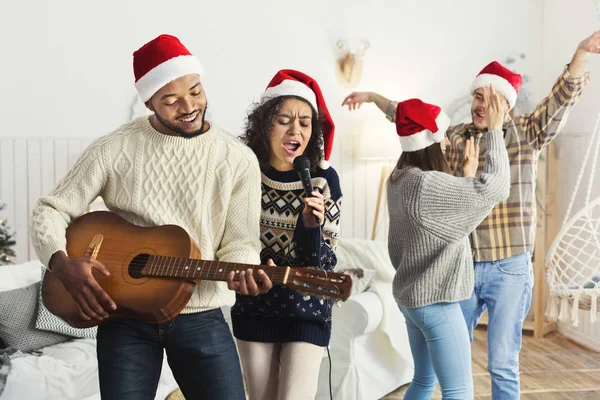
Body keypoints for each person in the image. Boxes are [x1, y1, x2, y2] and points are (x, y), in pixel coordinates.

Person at [342, 30, 599, 399]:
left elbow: (563, 96)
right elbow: (410, 117)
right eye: (479, 95)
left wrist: (581, 53)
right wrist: (371, 98)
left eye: (492, 98)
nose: (483, 103)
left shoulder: (528, 132)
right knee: (449, 365)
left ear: (507, 105)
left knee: (502, 365)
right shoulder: (454, 138)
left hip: (510, 267)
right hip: (461, 270)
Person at [29, 34, 272, 400]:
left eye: (195, 91)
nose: (189, 106)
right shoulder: (113, 148)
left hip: (201, 315)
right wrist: (61, 264)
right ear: (149, 102)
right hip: (124, 315)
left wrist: (243, 269)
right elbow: (50, 208)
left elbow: (240, 239)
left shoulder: (238, 159)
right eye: (171, 100)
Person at [385, 93, 510, 399]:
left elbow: (442, 222)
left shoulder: (400, 179)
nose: (444, 146)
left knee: (424, 382)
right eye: (440, 141)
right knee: (458, 392)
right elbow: (496, 186)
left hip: (412, 300)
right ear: (428, 143)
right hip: (436, 303)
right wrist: (494, 131)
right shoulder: (424, 185)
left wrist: (466, 177)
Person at [228, 69, 343, 400]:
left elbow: (322, 263)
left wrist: (310, 227)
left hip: (306, 308)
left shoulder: (323, 179)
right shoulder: (245, 170)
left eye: (305, 122)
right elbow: (229, 236)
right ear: (265, 124)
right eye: (284, 120)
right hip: (254, 305)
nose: (296, 130)